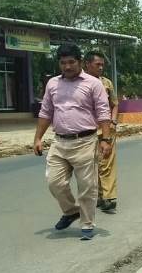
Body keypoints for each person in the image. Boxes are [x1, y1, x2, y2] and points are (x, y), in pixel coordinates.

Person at [34, 43, 112, 241]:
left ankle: (87, 223)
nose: (67, 67)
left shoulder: (93, 84)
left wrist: (105, 139)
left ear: (80, 62)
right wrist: (38, 138)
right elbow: (46, 112)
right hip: (59, 142)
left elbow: (103, 112)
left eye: (71, 62)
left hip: (85, 141)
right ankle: (70, 211)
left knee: (87, 186)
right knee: (54, 182)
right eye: (63, 63)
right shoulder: (52, 84)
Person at [84, 51, 120, 213]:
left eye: (102, 65)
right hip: (86, 131)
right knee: (92, 166)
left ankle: (108, 197)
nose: (100, 67)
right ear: (87, 64)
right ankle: (99, 196)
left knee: (106, 164)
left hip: (106, 130)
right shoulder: (79, 83)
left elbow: (115, 104)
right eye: (97, 64)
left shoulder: (106, 83)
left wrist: (113, 121)